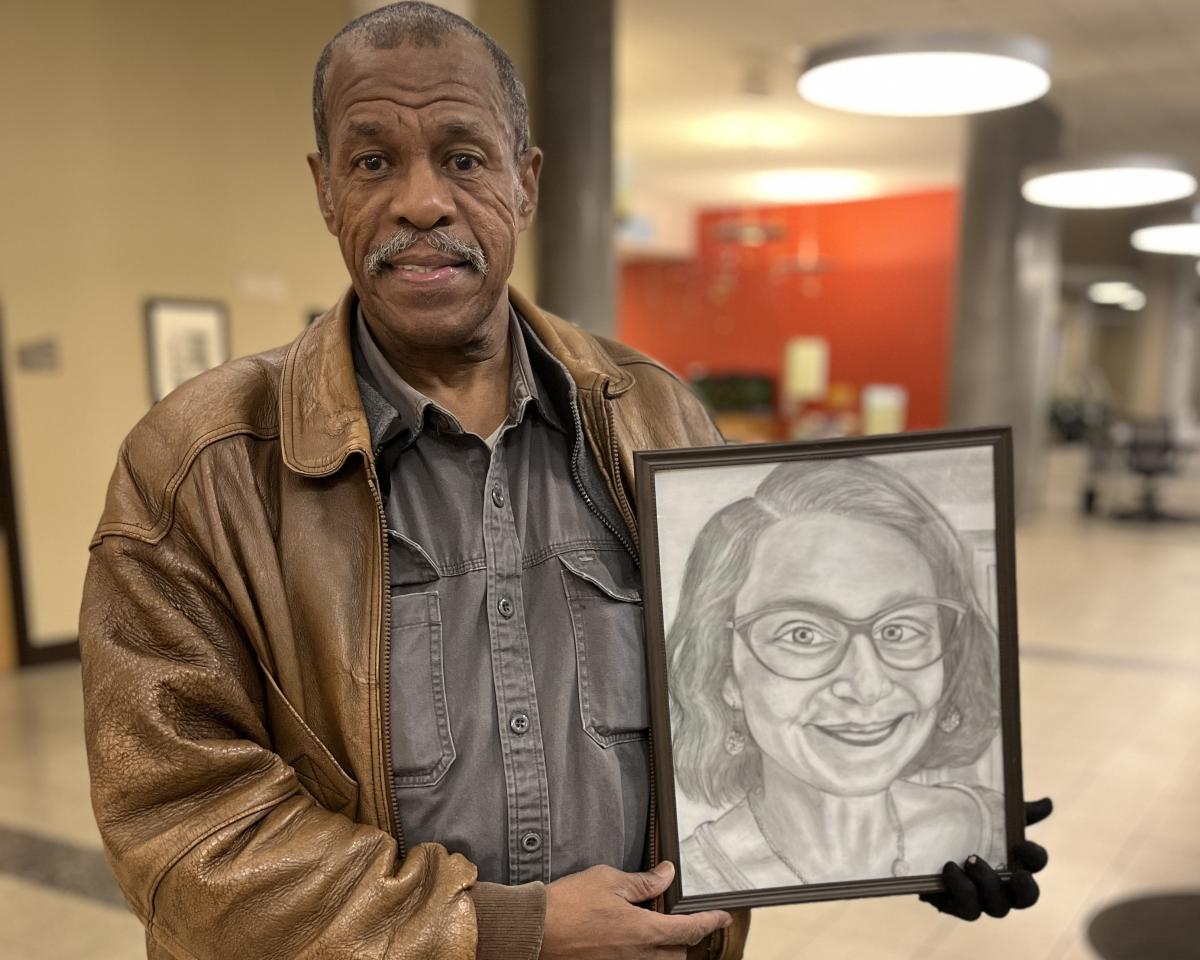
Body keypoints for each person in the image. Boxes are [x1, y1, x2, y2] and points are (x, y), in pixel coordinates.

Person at [78, 4, 1047, 959]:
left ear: (526, 181)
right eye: (374, 161)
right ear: (326, 189)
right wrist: (505, 931)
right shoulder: (199, 465)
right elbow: (185, 831)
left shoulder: (660, 422)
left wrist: (919, 823)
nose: (422, 201)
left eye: (464, 157)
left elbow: (741, 735)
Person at [671, 458, 1047, 908]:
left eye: (900, 630)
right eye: (802, 634)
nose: (866, 685)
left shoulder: (984, 832)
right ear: (724, 670)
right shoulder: (687, 880)